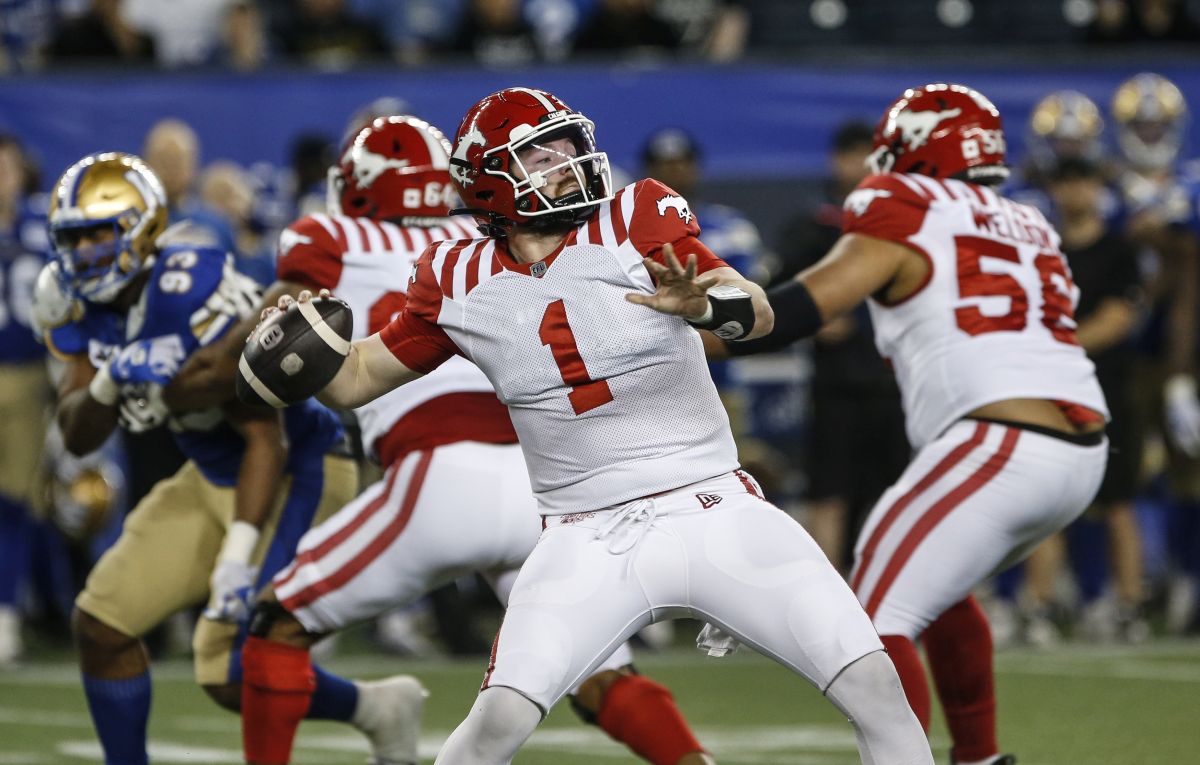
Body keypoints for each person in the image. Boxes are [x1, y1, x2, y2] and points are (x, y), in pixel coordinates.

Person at [263, 87, 934, 765]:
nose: (570, 160)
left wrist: (708, 303)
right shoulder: (455, 276)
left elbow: (753, 308)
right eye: (542, 153)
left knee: (875, 684)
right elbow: (359, 376)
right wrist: (293, 355)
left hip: (714, 505)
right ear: (491, 181)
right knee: (494, 723)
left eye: (567, 143)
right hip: (584, 536)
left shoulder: (633, 217)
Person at [169, 114, 717, 765]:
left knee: (274, 626)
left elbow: (266, 356)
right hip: (538, 482)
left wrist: (182, 379)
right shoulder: (485, 236)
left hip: (435, 476)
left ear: (358, 187)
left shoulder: (331, 235)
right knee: (598, 672)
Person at [713, 83, 1110, 765]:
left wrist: (711, 318)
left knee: (866, 625)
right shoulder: (1029, 222)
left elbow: (808, 307)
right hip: (1079, 447)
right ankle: (978, 756)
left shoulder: (901, 206)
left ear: (910, 150)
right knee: (939, 588)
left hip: (999, 440)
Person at [34, 151, 419, 765]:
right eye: (72, 240)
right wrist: (107, 384)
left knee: (232, 670)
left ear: (142, 229)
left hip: (298, 468)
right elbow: (78, 433)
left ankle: (373, 708)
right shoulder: (75, 299)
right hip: (212, 470)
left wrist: (236, 562)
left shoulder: (190, 285)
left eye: (99, 235)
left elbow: (265, 435)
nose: (84, 255)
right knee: (102, 625)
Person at [773, 120, 909, 572]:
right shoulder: (817, 223)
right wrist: (811, 324)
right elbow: (776, 295)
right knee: (829, 495)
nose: (861, 165)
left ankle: (895, 593)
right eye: (853, 154)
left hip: (899, 380)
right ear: (837, 159)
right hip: (839, 384)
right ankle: (829, 594)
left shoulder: (904, 220)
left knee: (901, 498)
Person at [0, 133, 52, 665]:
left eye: (6, 169)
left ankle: (7, 614)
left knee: (15, 502)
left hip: (28, 373)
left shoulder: (42, 227)